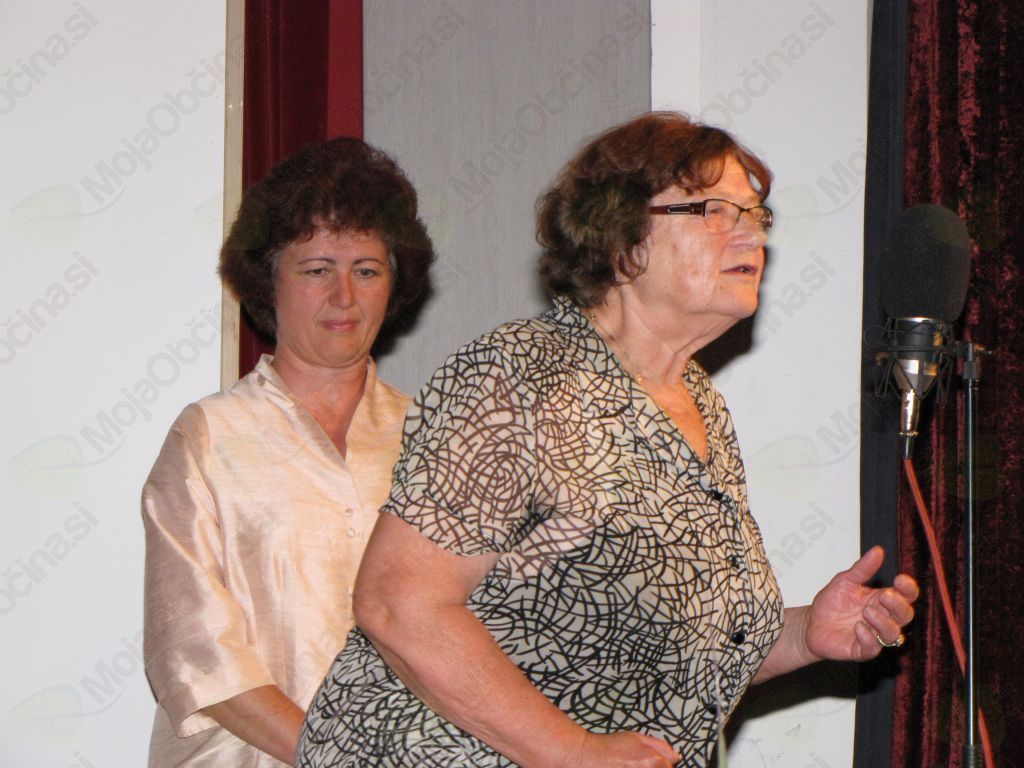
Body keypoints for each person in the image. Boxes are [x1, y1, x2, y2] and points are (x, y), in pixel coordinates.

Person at [296, 113, 919, 768]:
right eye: (714, 210)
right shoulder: (521, 377)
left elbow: (655, 650)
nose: (751, 233)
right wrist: (571, 751)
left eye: (756, 214)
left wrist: (804, 635)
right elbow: (398, 602)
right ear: (621, 239)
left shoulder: (699, 403)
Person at [142, 137, 434, 767]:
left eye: (367, 270)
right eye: (317, 269)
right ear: (267, 280)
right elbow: (193, 647)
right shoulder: (209, 436)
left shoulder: (437, 438)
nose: (344, 296)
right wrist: (338, 755)